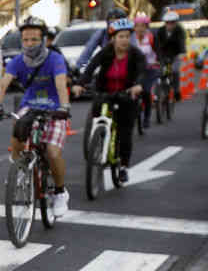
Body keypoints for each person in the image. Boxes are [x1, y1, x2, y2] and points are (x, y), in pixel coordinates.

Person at [0, 16, 72, 217]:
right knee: (18, 132)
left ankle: (60, 192)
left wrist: (64, 107)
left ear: (43, 40)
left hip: (55, 108)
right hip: (30, 106)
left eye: (34, 39)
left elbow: (61, 85)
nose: (29, 44)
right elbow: (3, 84)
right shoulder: (18, 61)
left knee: (52, 152)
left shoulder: (55, 59)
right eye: (25, 40)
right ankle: (19, 170)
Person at [73, 18, 146, 183]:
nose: (124, 40)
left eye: (127, 36)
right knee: (97, 112)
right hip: (105, 92)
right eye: (121, 37)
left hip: (126, 94)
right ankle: (97, 141)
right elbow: (91, 68)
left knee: (125, 132)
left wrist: (138, 85)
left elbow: (142, 71)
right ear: (113, 38)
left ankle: (124, 166)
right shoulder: (106, 52)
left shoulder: (136, 54)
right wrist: (80, 84)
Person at [134, 13, 160, 128]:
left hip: (150, 69)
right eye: (137, 26)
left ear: (146, 27)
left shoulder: (151, 37)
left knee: (146, 92)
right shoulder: (131, 39)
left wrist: (158, 61)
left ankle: (147, 117)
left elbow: (159, 52)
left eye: (143, 26)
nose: (140, 29)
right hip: (136, 69)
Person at [155, 11, 186, 105]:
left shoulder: (180, 30)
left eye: (172, 22)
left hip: (175, 54)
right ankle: (162, 94)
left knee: (175, 71)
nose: (170, 25)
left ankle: (176, 91)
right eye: (167, 22)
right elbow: (157, 44)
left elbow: (181, 42)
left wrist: (182, 52)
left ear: (176, 23)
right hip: (163, 55)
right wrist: (157, 56)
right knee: (162, 73)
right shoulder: (160, 31)